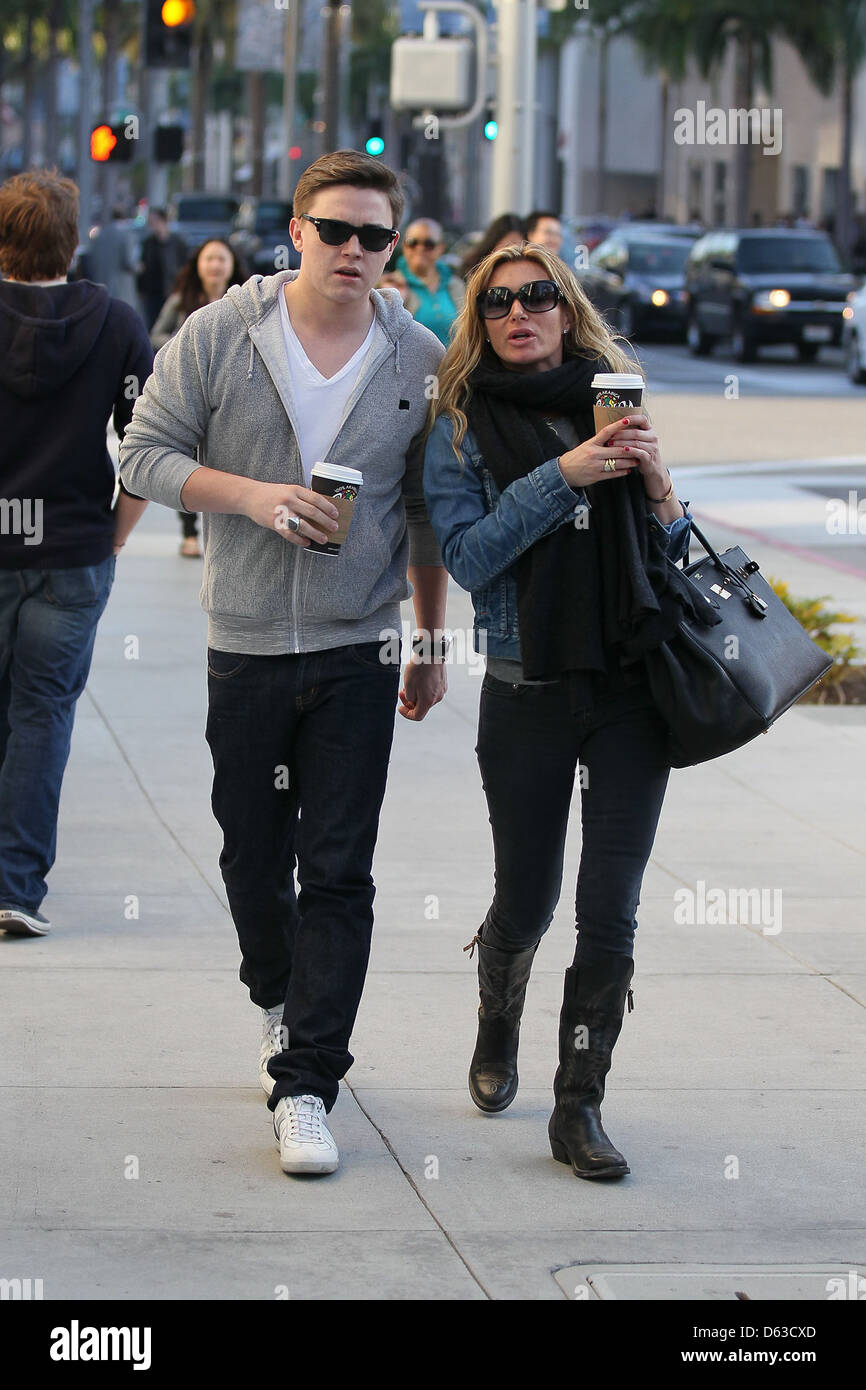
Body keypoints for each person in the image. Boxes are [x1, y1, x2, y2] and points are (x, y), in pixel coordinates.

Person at [119, 149, 448, 1177]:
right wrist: (254, 497)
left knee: (339, 870)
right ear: (296, 230)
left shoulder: (416, 356)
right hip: (247, 643)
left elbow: (429, 512)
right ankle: (276, 996)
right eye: (335, 230)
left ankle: (307, 1081)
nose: (353, 251)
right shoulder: (221, 333)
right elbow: (144, 455)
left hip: (359, 645)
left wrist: (430, 640)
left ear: (391, 247)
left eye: (374, 236)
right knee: (253, 859)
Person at [422, 242, 694, 1180]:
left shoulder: (613, 396)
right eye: (498, 302)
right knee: (529, 895)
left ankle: (580, 1105)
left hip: (629, 683)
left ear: (566, 309)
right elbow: (466, 557)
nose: (519, 312)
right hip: (526, 685)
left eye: (538, 295)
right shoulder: (460, 427)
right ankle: (499, 1015)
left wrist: (657, 484)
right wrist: (564, 475)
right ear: (481, 322)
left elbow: (675, 554)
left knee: (608, 909)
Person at [0, 169, 152, 937]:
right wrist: (117, 532)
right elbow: (149, 444)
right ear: (75, 239)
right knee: (42, 716)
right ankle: (16, 887)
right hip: (73, 548)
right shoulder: (117, 323)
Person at [150, 239, 248, 557]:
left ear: (232, 264)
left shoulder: (246, 302)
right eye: (209, 259)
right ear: (197, 265)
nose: (215, 266)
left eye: (221, 259)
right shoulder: (182, 301)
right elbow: (156, 335)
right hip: (190, 390)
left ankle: (227, 530)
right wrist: (189, 341)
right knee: (187, 458)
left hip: (233, 392)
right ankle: (190, 532)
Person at [395, 217, 465, 344]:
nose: (420, 248)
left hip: (454, 363)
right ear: (404, 246)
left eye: (428, 244)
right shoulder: (391, 286)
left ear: (441, 248)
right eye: (413, 242)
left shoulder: (456, 285)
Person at [136, 207, 187, 330]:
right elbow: (143, 266)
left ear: (163, 221)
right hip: (152, 292)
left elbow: (184, 265)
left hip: (172, 291)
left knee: (172, 326)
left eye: (154, 221)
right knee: (152, 326)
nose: (152, 225)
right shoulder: (147, 243)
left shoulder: (177, 242)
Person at [86, 205, 140, 310]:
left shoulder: (100, 234)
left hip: (102, 285)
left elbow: (91, 260)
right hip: (121, 289)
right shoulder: (126, 234)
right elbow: (128, 262)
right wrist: (138, 267)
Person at [460, 213, 524, 280]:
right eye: (506, 246)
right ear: (493, 243)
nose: (511, 252)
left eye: (516, 247)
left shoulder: (528, 270)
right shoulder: (473, 270)